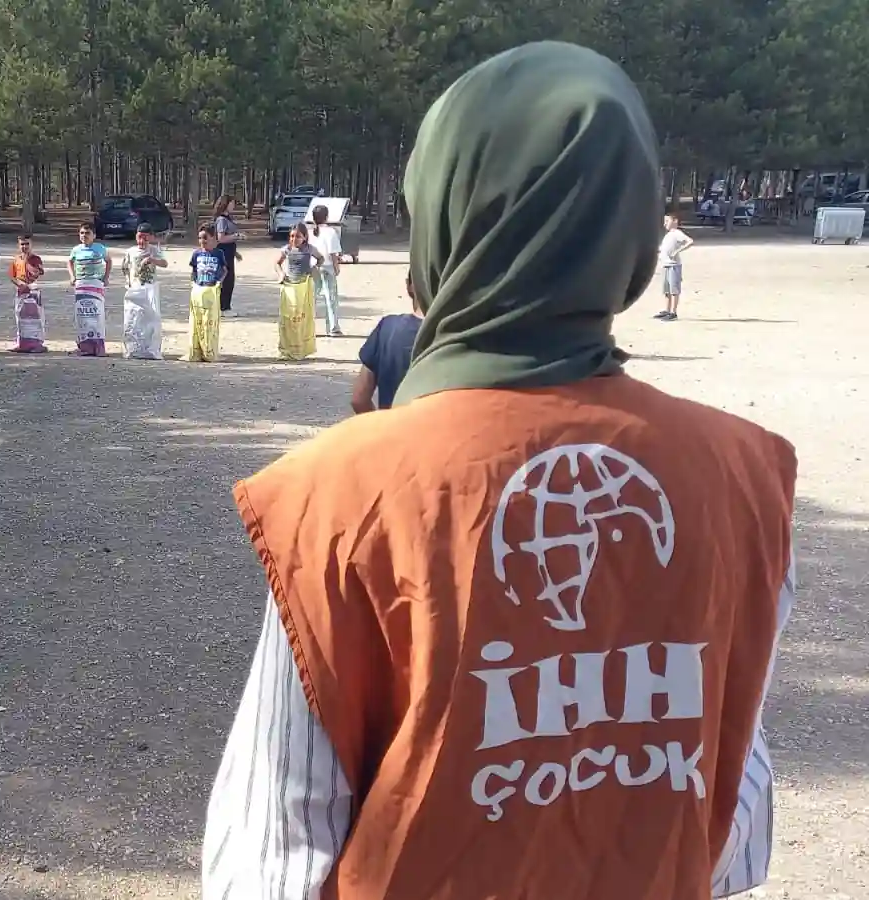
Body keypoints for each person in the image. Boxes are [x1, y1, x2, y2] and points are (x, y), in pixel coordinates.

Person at [205, 42, 795, 900]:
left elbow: (269, 859)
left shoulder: (339, 496)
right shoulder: (742, 477)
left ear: (443, 216)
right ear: (625, 229)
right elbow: (735, 837)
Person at [350, 273, 424, 413]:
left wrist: (381, 428)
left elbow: (359, 399)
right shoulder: (460, 334)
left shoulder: (387, 329)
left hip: (394, 430)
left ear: (409, 285)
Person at [273, 223, 323, 360]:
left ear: (305, 237)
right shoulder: (287, 249)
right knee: (288, 318)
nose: (294, 239)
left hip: (304, 286)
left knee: (302, 318)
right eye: (292, 236)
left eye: (298, 237)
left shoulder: (309, 249)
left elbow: (321, 258)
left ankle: (302, 347)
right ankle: (286, 348)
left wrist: (315, 268)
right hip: (290, 286)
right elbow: (277, 263)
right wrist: (281, 274)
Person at [121, 224, 168, 360]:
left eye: (146, 238)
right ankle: (133, 348)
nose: (142, 241)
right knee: (133, 317)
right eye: (140, 237)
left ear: (151, 238)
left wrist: (152, 260)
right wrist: (128, 282)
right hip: (135, 287)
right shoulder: (130, 251)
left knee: (151, 318)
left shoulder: (154, 250)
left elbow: (165, 263)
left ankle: (151, 349)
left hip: (150, 287)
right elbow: (125, 268)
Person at [185, 226, 229, 362]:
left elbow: (225, 270)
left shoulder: (218, 253)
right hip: (199, 290)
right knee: (197, 322)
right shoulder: (196, 254)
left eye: (205, 237)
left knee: (209, 322)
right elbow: (193, 271)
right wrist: (193, 281)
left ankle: (209, 351)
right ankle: (196, 351)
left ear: (213, 238)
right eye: (199, 238)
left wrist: (219, 282)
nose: (202, 241)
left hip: (211, 291)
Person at [67, 222, 112, 356]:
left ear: (94, 235)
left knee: (96, 316)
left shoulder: (100, 248)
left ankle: (98, 348)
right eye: (81, 233)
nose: (84, 236)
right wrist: (72, 276)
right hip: (81, 285)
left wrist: (106, 277)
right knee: (82, 316)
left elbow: (108, 261)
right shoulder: (76, 249)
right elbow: (70, 261)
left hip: (95, 284)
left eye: (87, 233)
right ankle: (83, 347)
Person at [307, 204, 343, 335]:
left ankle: (308, 327)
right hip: (327, 267)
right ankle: (333, 327)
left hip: (313, 267)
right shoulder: (331, 232)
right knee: (331, 297)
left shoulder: (310, 232)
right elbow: (333, 253)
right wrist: (336, 267)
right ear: (326, 217)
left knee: (312, 298)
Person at [9, 234, 48, 353]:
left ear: (31, 245)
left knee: (36, 317)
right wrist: (19, 284)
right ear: (18, 245)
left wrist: (30, 283)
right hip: (21, 291)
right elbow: (12, 276)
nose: (24, 246)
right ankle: (22, 343)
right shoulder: (16, 260)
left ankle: (37, 343)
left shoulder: (36, 259)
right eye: (22, 244)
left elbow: (39, 273)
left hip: (33, 291)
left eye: (27, 244)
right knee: (20, 317)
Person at [658, 214, 694, 321]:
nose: (665, 224)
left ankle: (673, 312)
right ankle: (667, 310)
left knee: (674, 289)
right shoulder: (668, 235)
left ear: (675, 221)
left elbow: (690, 241)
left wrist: (677, 251)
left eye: (667, 221)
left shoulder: (677, 233)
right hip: (666, 265)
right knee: (666, 289)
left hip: (674, 265)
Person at [212, 196, 241, 316]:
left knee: (229, 280)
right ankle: (223, 308)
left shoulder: (228, 218)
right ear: (226, 204)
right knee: (226, 280)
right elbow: (221, 238)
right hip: (223, 253)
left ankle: (225, 306)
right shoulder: (222, 220)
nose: (233, 206)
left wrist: (235, 253)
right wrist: (237, 236)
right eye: (232, 203)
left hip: (229, 252)